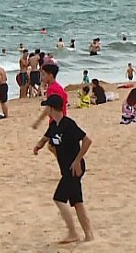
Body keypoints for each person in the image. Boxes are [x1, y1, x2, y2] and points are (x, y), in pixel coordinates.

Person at [33, 94, 95, 243]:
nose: (46, 110)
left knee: (59, 199)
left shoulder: (68, 124)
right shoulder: (54, 125)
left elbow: (87, 141)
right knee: (77, 202)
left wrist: (77, 160)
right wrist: (38, 146)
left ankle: (73, 233)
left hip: (74, 169)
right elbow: (46, 138)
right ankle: (89, 235)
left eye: (47, 107)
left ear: (52, 108)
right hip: (66, 169)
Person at [31, 64, 68, 129]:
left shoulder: (51, 89)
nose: (42, 77)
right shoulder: (59, 87)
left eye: (43, 74)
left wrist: (38, 121)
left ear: (50, 76)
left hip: (56, 121)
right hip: (62, 119)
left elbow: (49, 107)